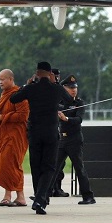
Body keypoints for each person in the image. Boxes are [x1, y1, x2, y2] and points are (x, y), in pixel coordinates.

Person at [10, 61, 73, 215]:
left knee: (36, 166)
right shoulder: (56, 88)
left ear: (37, 73)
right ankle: (40, 199)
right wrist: (55, 82)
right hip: (51, 132)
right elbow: (69, 100)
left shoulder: (31, 88)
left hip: (35, 133)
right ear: (50, 73)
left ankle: (40, 198)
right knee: (49, 167)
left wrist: (27, 85)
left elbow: (13, 98)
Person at [0, 69, 30, 207]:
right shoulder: (4, 95)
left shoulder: (19, 94)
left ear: (11, 79)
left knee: (11, 164)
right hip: (5, 135)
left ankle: (12, 196)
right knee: (7, 165)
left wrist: (1, 117)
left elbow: (23, 115)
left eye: (3, 79)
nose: (0, 82)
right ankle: (17, 196)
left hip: (16, 136)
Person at [49, 75, 96, 204]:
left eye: (75, 87)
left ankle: (88, 196)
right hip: (61, 139)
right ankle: (44, 194)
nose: (73, 90)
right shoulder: (59, 103)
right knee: (53, 168)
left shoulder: (79, 103)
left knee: (79, 169)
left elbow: (79, 120)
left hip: (74, 140)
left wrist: (66, 118)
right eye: (70, 88)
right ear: (64, 88)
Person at [49, 68, 69, 198]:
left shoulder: (60, 90)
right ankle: (49, 189)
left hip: (61, 129)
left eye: (57, 76)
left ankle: (57, 188)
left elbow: (67, 104)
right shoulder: (46, 90)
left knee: (60, 164)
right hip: (50, 129)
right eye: (54, 76)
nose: (56, 78)